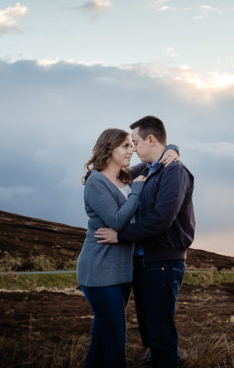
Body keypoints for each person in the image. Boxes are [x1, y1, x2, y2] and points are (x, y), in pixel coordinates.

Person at [95, 115, 194, 368]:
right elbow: (116, 171)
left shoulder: (175, 172)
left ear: (151, 139)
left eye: (136, 142)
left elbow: (162, 219)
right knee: (150, 332)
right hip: (143, 263)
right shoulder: (146, 171)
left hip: (162, 263)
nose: (134, 149)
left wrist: (120, 236)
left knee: (160, 333)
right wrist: (172, 147)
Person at [76, 128, 178, 367]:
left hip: (122, 271)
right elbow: (117, 220)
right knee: (115, 340)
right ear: (109, 148)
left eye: (132, 145)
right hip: (100, 271)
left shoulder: (126, 176)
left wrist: (173, 150)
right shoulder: (96, 182)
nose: (131, 150)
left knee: (101, 339)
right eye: (125, 146)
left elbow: (155, 159)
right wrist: (137, 192)